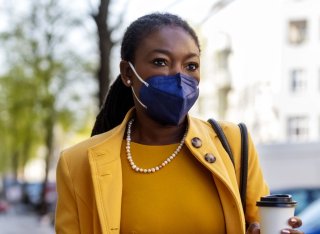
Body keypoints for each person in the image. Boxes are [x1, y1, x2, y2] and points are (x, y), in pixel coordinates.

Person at [55, 12, 303, 234]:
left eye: (191, 65)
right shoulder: (78, 163)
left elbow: (261, 223)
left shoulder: (234, 144)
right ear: (128, 73)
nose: (179, 76)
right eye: (160, 62)